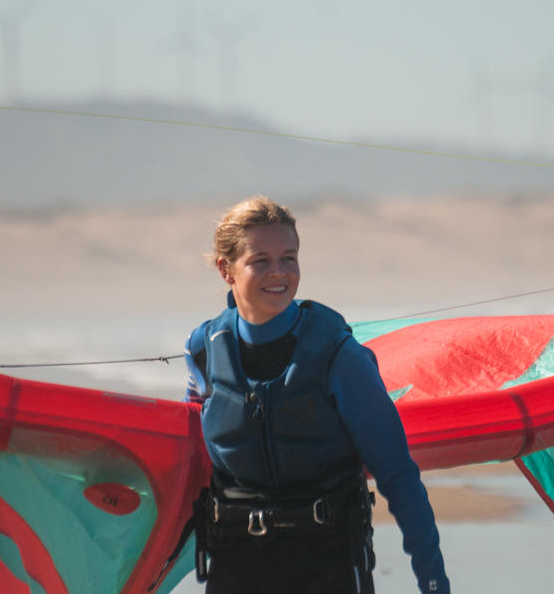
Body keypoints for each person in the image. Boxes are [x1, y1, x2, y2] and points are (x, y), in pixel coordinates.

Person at [185, 196, 449, 594]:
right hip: (234, 568)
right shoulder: (204, 352)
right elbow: (185, 466)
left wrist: (434, 584)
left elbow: (399, 476)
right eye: (261, 260)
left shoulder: (336, 355)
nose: (279, 272)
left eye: (289, 258)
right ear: (227, 270)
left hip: (328, 568)